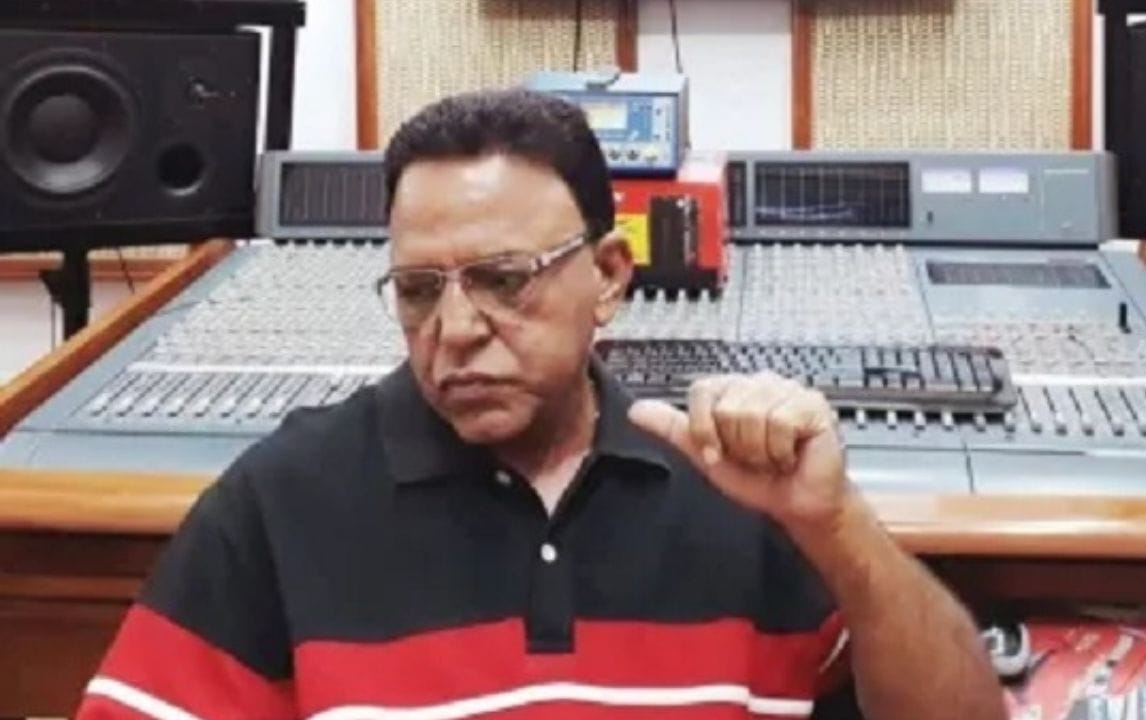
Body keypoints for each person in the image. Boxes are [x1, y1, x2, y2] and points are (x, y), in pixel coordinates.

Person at [76, 89, 1004, 720]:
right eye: (418, 289)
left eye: (503, 279)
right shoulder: (283, 500)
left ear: (610, 278)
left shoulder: (738, 487)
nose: (455, 329)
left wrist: (837, 529)